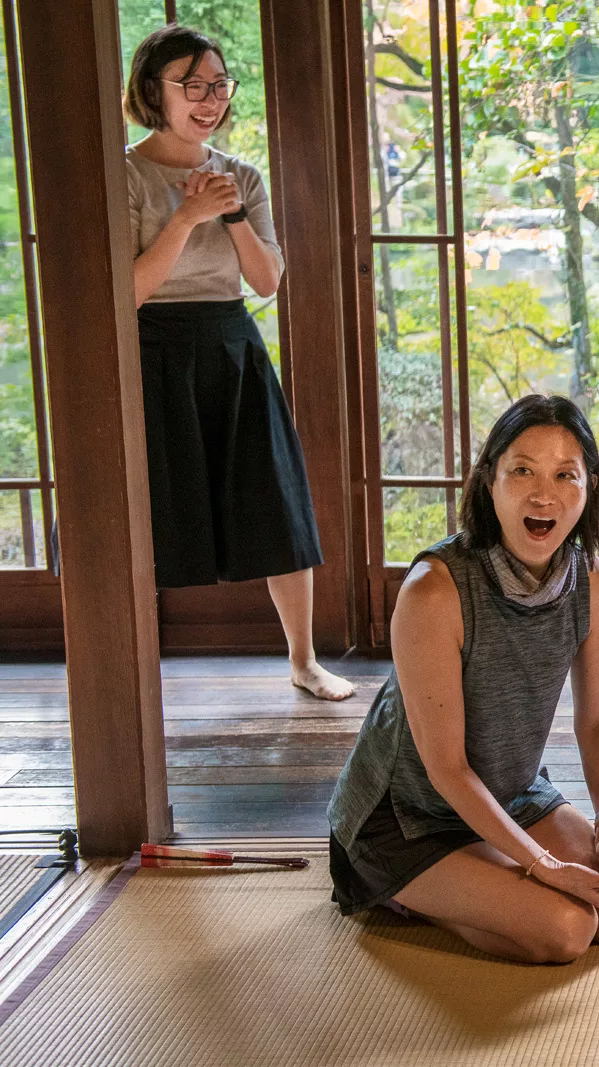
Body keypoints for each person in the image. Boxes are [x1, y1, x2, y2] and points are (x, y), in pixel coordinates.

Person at [327, 395, 599, 963]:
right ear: (488, 482)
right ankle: (410, 892)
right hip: (408, 818)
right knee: (565, 931)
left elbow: (598, 721)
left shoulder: (594, 584)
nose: (542, 493)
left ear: (592, 488)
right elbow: (446, 770)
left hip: (511, 795)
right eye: (522, 470)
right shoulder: (434, 590)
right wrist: (544, 865)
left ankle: (488, 870)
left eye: (565, 475)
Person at [123, 25, 351, 700]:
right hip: (153, 349)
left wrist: (230, 214)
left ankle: (304, 661)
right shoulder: (127, 174)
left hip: (232, 346)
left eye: (219, 85)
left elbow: (268, 281)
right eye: (192, 85)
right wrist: (187, 216)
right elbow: (127, 291)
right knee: (152, 510)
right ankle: (134, 666)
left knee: (279, 502)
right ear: (152, 91)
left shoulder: (242, 174)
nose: (209, 99)